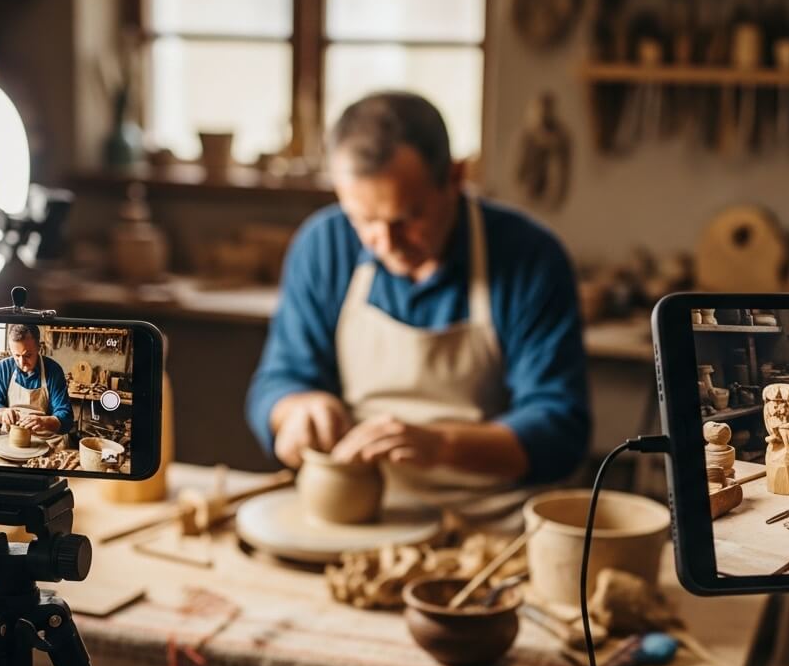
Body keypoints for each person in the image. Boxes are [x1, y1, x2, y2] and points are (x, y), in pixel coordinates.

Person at [246, 91, 589, 525]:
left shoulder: (529, 257)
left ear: (455, 176)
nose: (385, 243)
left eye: (406, 218)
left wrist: (442, 445)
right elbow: (278, 379)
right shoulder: (324, 246)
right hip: (368, 512)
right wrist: (295, 408)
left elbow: (560, 429)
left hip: (493, 520)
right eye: (364, 220)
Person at [0, 323, 73, 437]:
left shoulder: (53, 370)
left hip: (45, 439)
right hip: (12, 436)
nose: (22, 363)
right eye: (16, 356)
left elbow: (66, 416)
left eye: (27, 355)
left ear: (38, 348)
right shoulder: (3, 368)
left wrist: (44, 422)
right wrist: (2, 413)